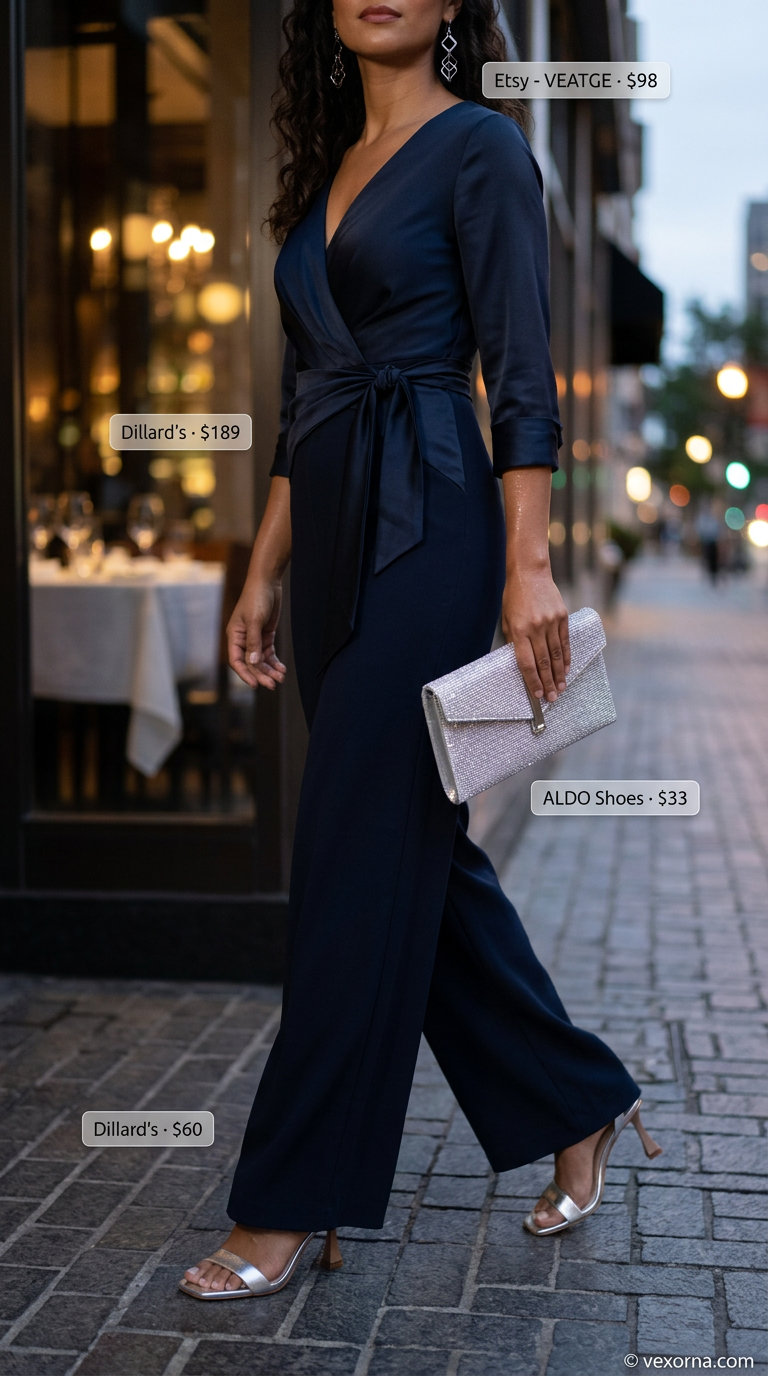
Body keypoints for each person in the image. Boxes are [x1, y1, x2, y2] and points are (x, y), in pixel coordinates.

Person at [180, 0, 661, 1301]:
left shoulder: (485, 151)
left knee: (345, 852)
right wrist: (262, 569)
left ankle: (290, 1197)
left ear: (454, 4)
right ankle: (578, 1101)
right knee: (411, 856)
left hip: (434, 530)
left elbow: (518, 373)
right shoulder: (328, 165)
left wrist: (529, 562)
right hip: (330, 539)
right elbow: (305, 400)